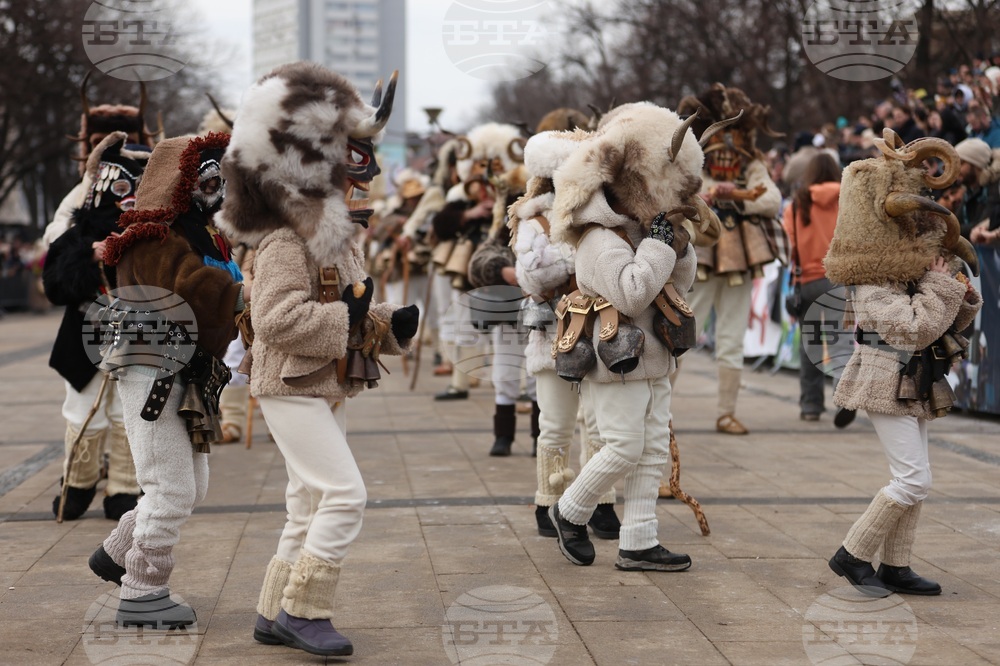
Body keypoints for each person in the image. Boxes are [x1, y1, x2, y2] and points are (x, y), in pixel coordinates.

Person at [216, 62, 417, 657]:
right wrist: (353, 320)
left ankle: (271, 610)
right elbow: (277, 321)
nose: (356, 186)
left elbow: (351, 307)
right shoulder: (282, 238)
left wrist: (388, 324)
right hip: (290, 385)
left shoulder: (330, 232)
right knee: (345, 495)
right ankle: (305, 612)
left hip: (322, 384)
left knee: (305, 502)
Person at [546, 102, 718, 571]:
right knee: (623, 445)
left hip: (656, 356)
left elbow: (679, 284)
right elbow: (631, 295)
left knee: (652, 448)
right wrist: (661, 244)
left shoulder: (640, 231)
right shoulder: (600, 239)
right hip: (616, 358)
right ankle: (569, 511)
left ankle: (639, 540)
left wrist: (675, 245)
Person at [88, 130, 243, 627]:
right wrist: (250, 290)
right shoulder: (150, 235)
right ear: (179, 179)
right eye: (209, 176)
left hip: (187, 370)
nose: (218, 188)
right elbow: (194, 291)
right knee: (170, 487)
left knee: (191, 486)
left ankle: (115, 554)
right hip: (152, 369)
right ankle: (141, 592)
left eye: (223, 177)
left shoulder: (204, 231)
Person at [825, 131, 982, 596]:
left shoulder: (909, 270)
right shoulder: (871, 279)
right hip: (884, 380)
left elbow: (942, 321)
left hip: (915, 379)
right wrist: (942, 288)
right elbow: (912, 328)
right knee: (913, 479)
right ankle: (851, 555)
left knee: (915, 477)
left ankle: (896, 565)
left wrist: (962, 296)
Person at [510, 117, 622, 538]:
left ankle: (599, 503)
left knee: (598, 425)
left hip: (600, 329)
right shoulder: (532, 219)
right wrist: (587, 258)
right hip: (552, 333)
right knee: (555, 423)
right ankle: (548, 499)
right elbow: (534, 277)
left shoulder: (604, 216)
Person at [42, 132, 148, 520]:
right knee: (83, 411)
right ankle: (78, 485)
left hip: (136, 339)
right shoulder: (73, 238)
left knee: (127, 416)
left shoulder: (148, 238)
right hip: (81, 338)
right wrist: (88, 256)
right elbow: (55, 287)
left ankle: (123, 487)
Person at [676, 84, 783, 435]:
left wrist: (736, 199)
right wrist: (708, 194)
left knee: (733, 338)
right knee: (683, 332)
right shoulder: (691, 161)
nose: (731, 143)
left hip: (740, 253)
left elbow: (771, 199)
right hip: (703, 252)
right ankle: (661, 409)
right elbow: (686, 193)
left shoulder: (752, 163)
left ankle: (726, 413)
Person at [781, 153, 852, 424]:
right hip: (838, 279)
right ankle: (844, 398)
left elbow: (788, 247)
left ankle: (811, 406)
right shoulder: (847, 200)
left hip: (806, 283)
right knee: (840, 342)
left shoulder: (796, 205)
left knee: (810, 345)